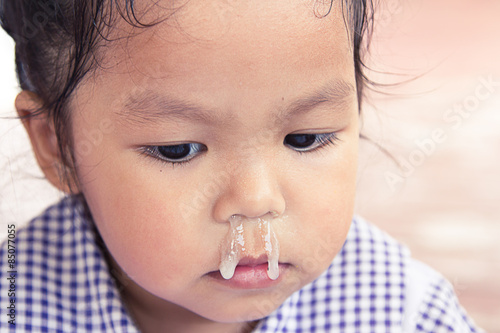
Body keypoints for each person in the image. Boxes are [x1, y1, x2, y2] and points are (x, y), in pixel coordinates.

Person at [0, 0, 484, 332]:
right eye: (178, 150)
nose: (256, 201)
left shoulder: (399, 312)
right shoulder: (18, 305)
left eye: (304, 139)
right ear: (57, 144)